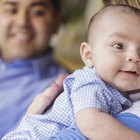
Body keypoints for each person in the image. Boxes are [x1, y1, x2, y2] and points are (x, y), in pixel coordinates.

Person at [2, 4, 140, 140]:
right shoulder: (89, 82)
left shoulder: (121, 87)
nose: (135, 57)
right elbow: (91, 125)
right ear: (88, 55)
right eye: (119, 46)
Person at [0, 0, 67, 138]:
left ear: (56, 22)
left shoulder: (65, 92)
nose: (22, 22)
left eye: (38, 12)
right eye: (12, 10)